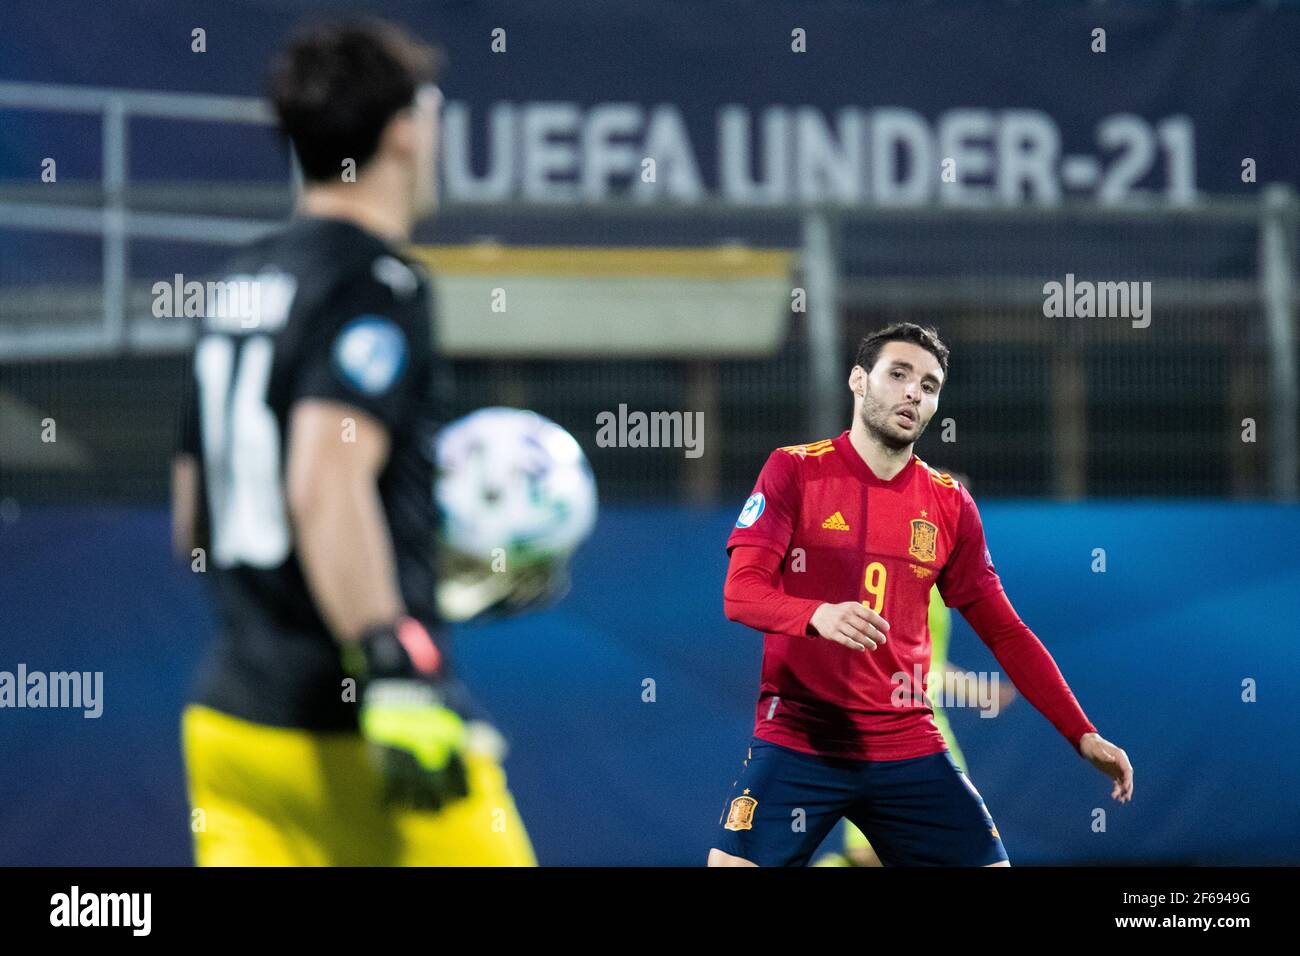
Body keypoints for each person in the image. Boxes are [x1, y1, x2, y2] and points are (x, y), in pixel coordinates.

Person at [171, 19, 534, 865]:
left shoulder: (236, 279)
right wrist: (393, 657)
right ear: (404, 128)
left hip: (230, 727)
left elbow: (195, 517)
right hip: (358, 734)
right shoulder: (378, 280)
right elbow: (323, 480)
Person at [709, 322, 1133, 867]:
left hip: (906, 743)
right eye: (899, 375)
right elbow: (740, 593)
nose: (914, 392)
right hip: (801, 736)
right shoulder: (795, 470)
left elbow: (1006, 633)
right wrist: (817, 614)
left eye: (929, 385)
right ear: (859, 382)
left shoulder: (950, 505)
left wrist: (1082, 733)